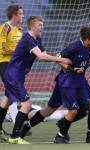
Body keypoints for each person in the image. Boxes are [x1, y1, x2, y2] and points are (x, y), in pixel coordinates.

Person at [19, 27, 90, 144]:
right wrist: (71, 69)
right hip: (67, 82)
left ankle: (25, 130)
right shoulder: (74, 46)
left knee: (52, 110)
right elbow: (59, 58)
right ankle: (60, 135)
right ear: (87, 39)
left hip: (79, 82)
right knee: (73, 110)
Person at [0, 16, 71, 144]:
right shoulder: (28, 39)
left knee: (7, 102)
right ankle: (15, 137)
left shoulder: (37, 39)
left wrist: (63, 65)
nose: (42, 27)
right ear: (32, 26)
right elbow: (41, 57)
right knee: (26, 104)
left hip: (17, 75)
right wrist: (61, 60)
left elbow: (45, 53)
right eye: (40, 25)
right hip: (13, 75)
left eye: (42, 25)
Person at [0, 4, 24, 141]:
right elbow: (3, 49)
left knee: (9, 97)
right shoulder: (5, 28)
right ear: (14, 15)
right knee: (16, 95)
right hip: (5, 64)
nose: (22, 16)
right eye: (20, 13)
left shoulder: (20, 30)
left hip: (16, 67)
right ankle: (19, 129)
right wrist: (19, 52)